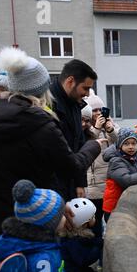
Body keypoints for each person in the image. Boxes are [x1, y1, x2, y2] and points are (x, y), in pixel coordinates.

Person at [0, 47, 103, 257]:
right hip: (31, 219)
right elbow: (72, 165)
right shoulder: (40, 123)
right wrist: (94, 145)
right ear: (41, 90)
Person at [0, 179, 69, 272]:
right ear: (48, 224)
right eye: (61, 215)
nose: (65, 218)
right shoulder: (44, 258)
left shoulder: (14, 241)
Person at [50, 59, 98, 201]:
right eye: (85, 88)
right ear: (70, 81)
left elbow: (79, 146)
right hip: (55, 189)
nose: (88, 94)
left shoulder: (75, 104)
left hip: (70, 184)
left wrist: (80, 183)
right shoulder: (49, 106)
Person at [82, 89, 118, 238]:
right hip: (93, 186)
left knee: (113, 225)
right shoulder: (85, 128)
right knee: (95, 226)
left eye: (100, 109)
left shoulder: (111, 125)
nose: (98, 113)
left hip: (110, 184)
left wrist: (109, 130)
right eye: (94, 110)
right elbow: (84, 146)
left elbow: (122, 143)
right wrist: (96, 128)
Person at [102, 128, 137, 222]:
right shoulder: (116, 161)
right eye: (126, 144)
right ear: (120, 145)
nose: (131, 147)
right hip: (114, 207)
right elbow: (126, 180)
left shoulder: (133, 157)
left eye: (133, 143)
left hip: (124, 203)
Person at [59, 197, 102, 272]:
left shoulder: (70, 235)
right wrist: (98, 246)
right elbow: (84, 259)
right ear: (84, 224)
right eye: (93, 217)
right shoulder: (74, 242)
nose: (95, 219)